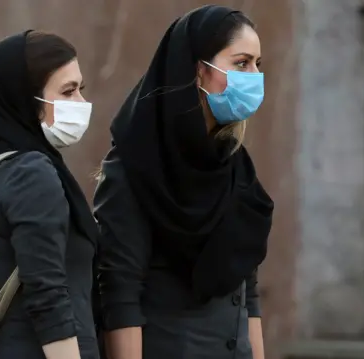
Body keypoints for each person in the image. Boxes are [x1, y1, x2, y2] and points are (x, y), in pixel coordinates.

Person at [93, 5, 274, 359]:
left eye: (257, 64)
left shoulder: (234, 163)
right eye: (241, 63)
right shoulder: (134, 167)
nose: (253, 76)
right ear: (199, 70)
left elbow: (246, 290)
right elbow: (120, 294)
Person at [0, 30, 99, 359]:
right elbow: (48, 298)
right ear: (25, 100)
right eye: (67, 91)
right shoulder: (31, 175)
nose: (82, 104)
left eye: (81, 89)